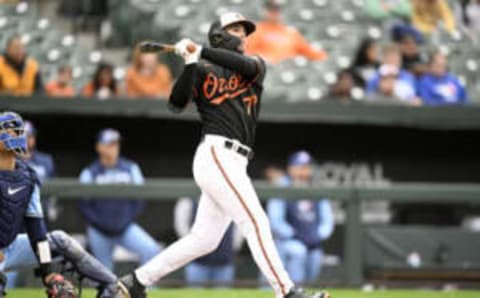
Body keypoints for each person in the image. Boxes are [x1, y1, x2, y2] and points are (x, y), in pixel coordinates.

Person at [116, 11, 330, 298]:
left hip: (235, 161)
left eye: (244, 31)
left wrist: (201, 51)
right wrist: (191, 64)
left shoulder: (254, 66)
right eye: (236, 30)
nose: (242, 35)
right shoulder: (204, 70)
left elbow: (240, 63)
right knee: (256, 222)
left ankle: (136, 281)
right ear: (219, 35)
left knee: (204, 239)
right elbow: (176, 104)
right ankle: (287, 292)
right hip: (217, 153)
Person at [0, 111, 128, 298]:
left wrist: (48, 273)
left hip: (9, 248)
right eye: (7, 131)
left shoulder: (27, 177)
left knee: (59, 240)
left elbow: (37, 232)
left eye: (16, 131)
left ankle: (113, 288)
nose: (13, 135)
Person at [78, 128, 161, 271]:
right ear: (99, 147)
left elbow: (140, 198)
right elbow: (83, 205)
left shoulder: (130, 168)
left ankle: (143, 289)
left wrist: (125, 219)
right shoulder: (90, 172)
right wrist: (100, 224)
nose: (113, 148)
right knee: (104, 272)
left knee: (151, 250)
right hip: (99, 231)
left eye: (115, 144)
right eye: (109, 144)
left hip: (125, 228)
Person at [267, 151, 334, 285]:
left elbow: (328, 222)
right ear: (290, 168)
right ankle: (293, 291)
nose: (303, 171)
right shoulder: (282, 186)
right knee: (298, 251)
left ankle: (307, 292)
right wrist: (296, 235)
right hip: (287, 241)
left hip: (312, 241)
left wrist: (315, 235)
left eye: (306, 167)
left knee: (315, 256)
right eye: (300, 167)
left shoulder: (316, 187)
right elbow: (275, 221)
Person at [174, 197, 243, 287]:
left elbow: (239, 229)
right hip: (197, 261)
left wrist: (233, 246)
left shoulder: (232, 202)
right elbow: (181, 228)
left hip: (223, 260)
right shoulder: (188, 201)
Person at [246, 1, 327, 64]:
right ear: (264, 11)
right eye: (270, 9)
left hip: (290, 69)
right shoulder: (256, 30)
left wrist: (323, 56)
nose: (273, 13)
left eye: (276, 9)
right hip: (268, 71)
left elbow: (308, 51)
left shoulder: (290, 32)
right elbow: (249, 54)